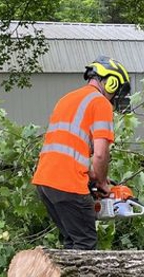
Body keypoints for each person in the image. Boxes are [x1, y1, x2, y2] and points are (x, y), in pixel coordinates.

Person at [32, 55, 131, 249]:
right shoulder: (100, 103)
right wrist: (103, 184)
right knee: (85, 245)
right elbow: (101, 154)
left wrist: (92, 176)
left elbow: (71, 151)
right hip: (68, 184)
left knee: (72, 242)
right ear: (111, 83)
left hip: (45, 182)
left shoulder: (67, 99)